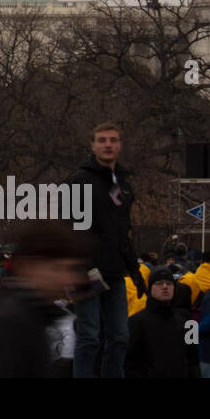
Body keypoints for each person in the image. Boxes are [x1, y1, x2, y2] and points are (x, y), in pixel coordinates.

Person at [67, 122, 145, 378]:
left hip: (114, 270)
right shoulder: (79, 181)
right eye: (101, 140)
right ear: (92, 145)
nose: (107, 144)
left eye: (112, 140)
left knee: (120, 336)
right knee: (89, 335)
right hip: (84, 271)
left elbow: (123, 231)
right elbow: (67, 227)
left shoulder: (123, 184)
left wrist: (133, 267)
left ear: (120, 145)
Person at [0, 222, 87, 378]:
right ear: (30, 266)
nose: (68, 279)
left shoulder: (31, 315)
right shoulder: (12, 324)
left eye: (72, 269)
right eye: (58, 268)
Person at [123, 268, 198, 378]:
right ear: (150, 288)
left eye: (169, 283)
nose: (165, 287)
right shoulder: (135, 322)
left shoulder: (189, 323)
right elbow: (128, 361)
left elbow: (194, 361)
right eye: (159, 283)